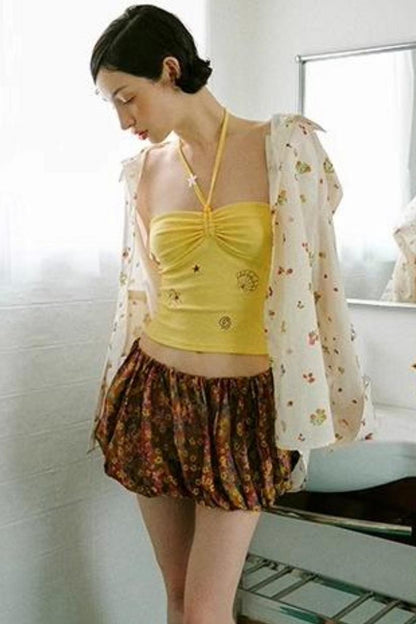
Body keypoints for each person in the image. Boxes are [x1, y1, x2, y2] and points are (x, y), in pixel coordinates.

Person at [89, 5, 369, 624]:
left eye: (127, 98)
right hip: (154, 394)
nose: (124, 120)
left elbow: (318, 276)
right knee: (178, 597)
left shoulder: (284, 146)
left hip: (242, 405)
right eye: (112, 105)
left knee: (206, 607)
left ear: (170, 70)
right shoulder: (143, 172)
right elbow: (149, 291)